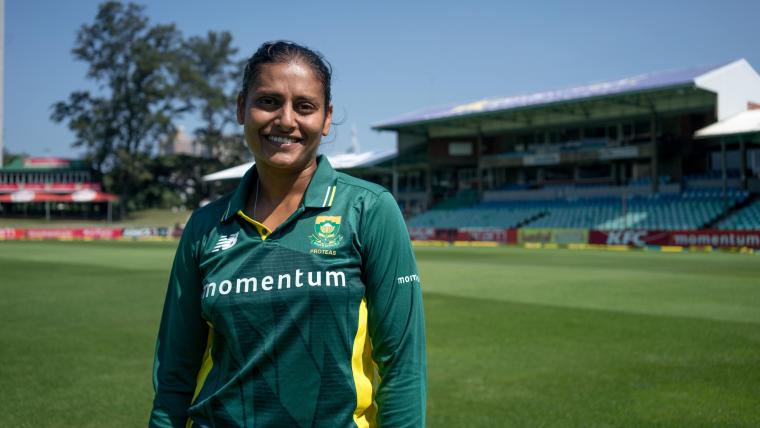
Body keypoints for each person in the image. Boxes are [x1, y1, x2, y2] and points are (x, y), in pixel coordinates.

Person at [149, 41, 426, 428]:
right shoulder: (205, 226)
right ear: (240, 108)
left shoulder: (370, 209)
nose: (285, 120)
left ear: (327, 118)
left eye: (305, 106)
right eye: (268, 101)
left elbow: (402, 366)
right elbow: (174, 372)